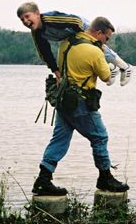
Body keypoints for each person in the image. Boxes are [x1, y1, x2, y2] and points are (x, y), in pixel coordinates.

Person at [31, 16, 130, 195]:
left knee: (59, 140)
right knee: (100, 137)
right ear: (99, 33)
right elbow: (107, 78)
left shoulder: (66, 44)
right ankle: (105, 177)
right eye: (106, 38)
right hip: (81, 104)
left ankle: (43, 180)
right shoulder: (94, 52)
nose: (106, 42)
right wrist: (113, 69)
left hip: (63, 100)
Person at [17, 2, 133, 86]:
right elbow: (45, 53)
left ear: (37, 13)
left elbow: (75, 21)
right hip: (68, 36)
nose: (25, 21)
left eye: (27, 16)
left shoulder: (49, 18)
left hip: (80, 26)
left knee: (98, 47)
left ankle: (125, 67)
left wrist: (88, 38)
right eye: (22, 20)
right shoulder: (36, 33)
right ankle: (111, 69)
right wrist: (57, 72)